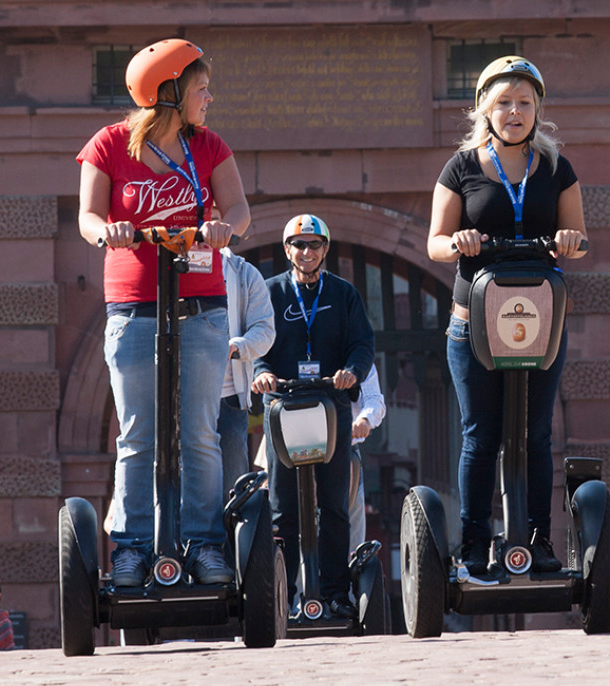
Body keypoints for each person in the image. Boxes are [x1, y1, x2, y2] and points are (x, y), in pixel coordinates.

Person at [77, 39, 251, 587]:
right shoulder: (108, 146)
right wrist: (109, 229)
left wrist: (227, 226)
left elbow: (240, 210)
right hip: (133, 307)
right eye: (200, 88)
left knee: (200, 431)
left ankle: (204, 546)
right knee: (137, 433)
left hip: (200, 305)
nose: (209, 97)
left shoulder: (210, 146)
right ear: (169, 92)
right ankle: (130, 547)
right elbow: (86, 215)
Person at [427, 55, 588, 575]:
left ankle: (538, 543)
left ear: (538, 109)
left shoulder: (558, 169)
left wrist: (569, 241)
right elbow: (433, 243)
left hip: (539, 320)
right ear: (484, 110)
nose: (514, 112)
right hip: (473, 320)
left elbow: (578, 241)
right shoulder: (461, 168)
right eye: (504, 103)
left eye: (524, 102)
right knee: (482, 434)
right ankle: (474, 545)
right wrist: (457, 241)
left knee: (536, 432)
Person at [251, 214, 375, 619]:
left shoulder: (343, 294)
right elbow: (258, 343)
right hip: (283, 407)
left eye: (315, 245)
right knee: (283, 509)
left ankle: (336, 594)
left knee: (335, 506)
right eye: (299, 245)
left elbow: (362, 344)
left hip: (331, 404)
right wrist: (261, 372)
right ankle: (283, 597)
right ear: (287, 250)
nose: (307, 252)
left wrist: (352, 372)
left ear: (326, 249)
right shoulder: (270, 293)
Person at [218, 247, 276, 494]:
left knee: (232, 487)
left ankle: (229, 534)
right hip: (182, 398)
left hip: (229, 397)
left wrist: (236, 346)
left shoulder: (243, 273)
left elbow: (264, 330)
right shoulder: (173, 264)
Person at [348, 363, 386, 556]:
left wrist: (365, 419)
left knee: (351, 513)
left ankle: (351, 577)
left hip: (344, 448)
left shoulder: (356, 354)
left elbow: (375, 399)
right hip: (299, 448)